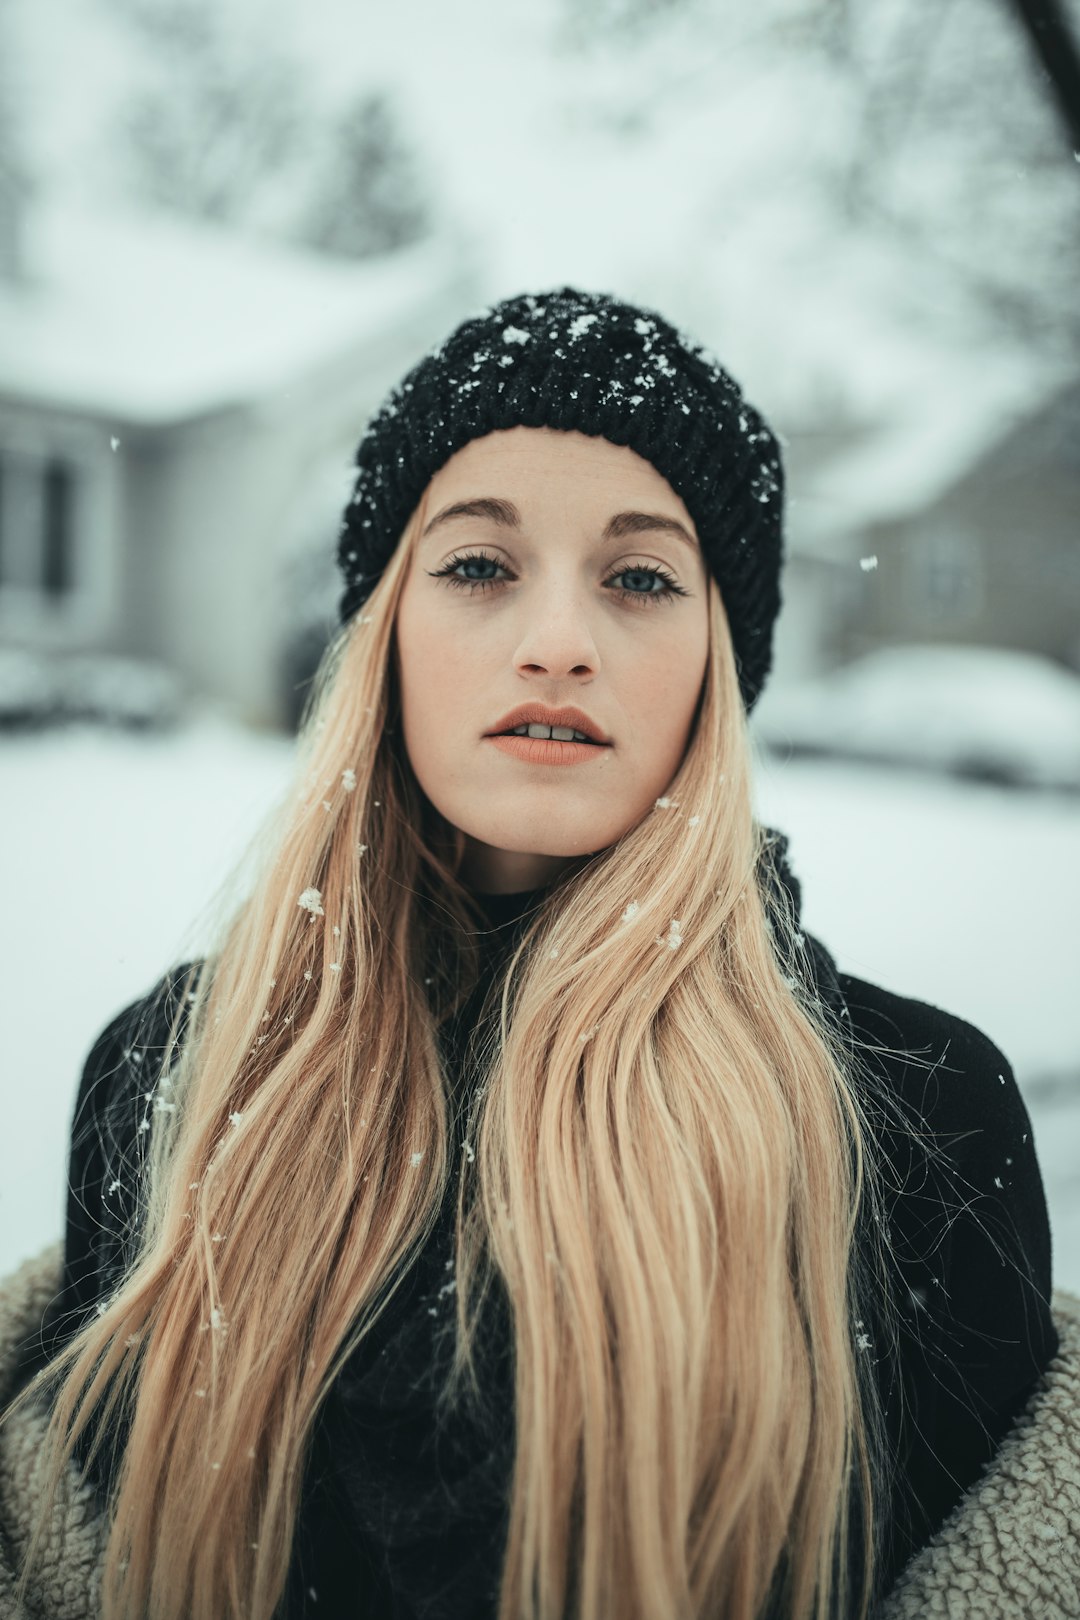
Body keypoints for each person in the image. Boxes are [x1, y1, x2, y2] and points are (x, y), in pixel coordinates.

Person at [0, 288, 1072, 1620]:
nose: (558, 642)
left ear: (716, 663)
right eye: (477, 565)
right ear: (384, 637)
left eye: (639, 577)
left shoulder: (925, 1117)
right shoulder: (169, 1079)